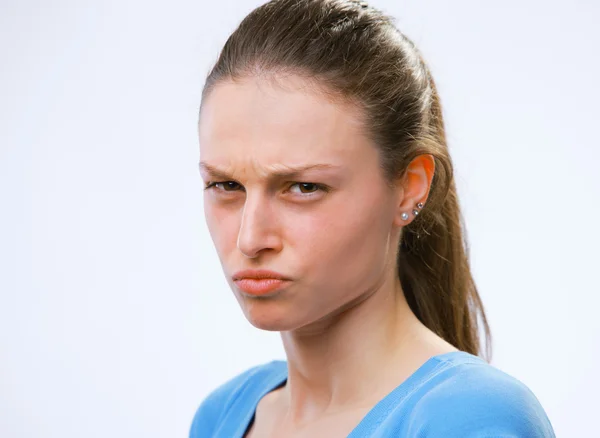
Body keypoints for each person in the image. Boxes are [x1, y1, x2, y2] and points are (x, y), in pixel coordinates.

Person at [191, 0, 556, 436]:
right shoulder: (222, 416)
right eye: (226, 186)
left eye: (304, 187)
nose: (250, 239)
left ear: (410, 185)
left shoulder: (469, 418)